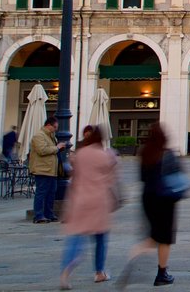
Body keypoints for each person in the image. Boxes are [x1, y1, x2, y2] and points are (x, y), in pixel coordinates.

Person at [120, 122, 179, 287]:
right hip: (166, 199)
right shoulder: (167, 154)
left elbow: (142, 178)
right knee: (164, 238)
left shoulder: (144, 153)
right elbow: (177, 176)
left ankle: (135, 253)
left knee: (153, 236)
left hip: (148, 197)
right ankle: (162, 273)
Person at [59, 125, 117, 288]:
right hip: (99, 201)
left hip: (80, 200)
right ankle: (99, 272)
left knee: (75, 237)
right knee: (101, 238)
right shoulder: (104, 156)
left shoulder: (80, 154)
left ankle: (65, 273)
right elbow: (111, 180)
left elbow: (72, 175)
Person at [30, 116, 65, 224]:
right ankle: (39, 215)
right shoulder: (39, 136)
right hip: (42, 170)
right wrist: (57, 147)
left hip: (51, 170)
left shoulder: (51, 137)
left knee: (51, 193)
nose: (55, 129)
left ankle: (49, 214)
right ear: (48, 125)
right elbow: (42, 150)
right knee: (41, 193)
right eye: (54, 127)